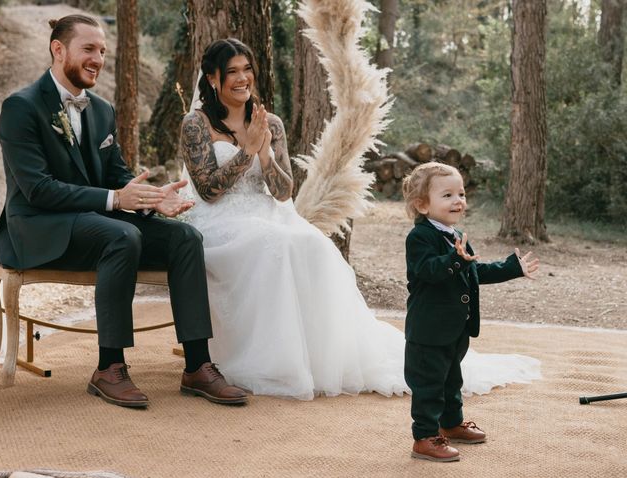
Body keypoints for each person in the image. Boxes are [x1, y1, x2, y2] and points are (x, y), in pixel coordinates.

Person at [179, 38, 541, 401]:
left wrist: (265, 153)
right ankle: (266, 360)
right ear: (212, 78)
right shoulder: (196, 124)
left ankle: (314, 357)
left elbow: (283, 191)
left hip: (268, 212)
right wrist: (246, 150)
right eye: (232, 72)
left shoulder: (268, 121)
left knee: (313, 244)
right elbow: (209, 190)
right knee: (279, 244)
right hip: (218, 219)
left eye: (247, 70)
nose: (243, 78)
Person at [0, 15, 247, 407]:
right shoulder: (20, 107)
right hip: (38, 229)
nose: (98, 59)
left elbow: (117, 176)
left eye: (103, 51)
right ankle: (109, 368)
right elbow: (38, 190)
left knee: (184, 238)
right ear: (58, 50)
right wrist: (115, 200)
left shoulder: (102, 109)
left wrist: (150, 198)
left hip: (95, 224)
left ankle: (198, 365)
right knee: (121, 235)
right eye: (89, 49)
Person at [402, 162, 540, 462]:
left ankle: (450, 424)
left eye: (461, 193)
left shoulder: (456, 233)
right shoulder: (420, 238)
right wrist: (455, 258)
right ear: (422, 204)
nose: (458, 200)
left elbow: (473, 271)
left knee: (452, 380)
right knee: (429, 385)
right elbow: (428, 272)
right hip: (429, 330)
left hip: (455, 328)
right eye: (448, 195)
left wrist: (511, 268)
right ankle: (425, 438)